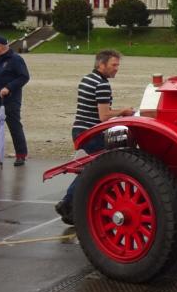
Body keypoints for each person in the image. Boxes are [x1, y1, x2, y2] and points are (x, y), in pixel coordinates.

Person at [54, 49, 135, 224]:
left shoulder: (87, 79)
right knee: (100, 168)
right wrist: (124, 111)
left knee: (92, 167)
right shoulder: (102, 84)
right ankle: (69, 203)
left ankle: (71, 204)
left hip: (79, 129)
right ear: (101, 64)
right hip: (91, 132)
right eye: (114, 65)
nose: (117, 68)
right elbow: (104, 116)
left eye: (117, 65)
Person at [0, 35, 30, 167]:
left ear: (0, 46)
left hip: (10, 100)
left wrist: (9, 87)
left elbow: (24, 77)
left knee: (14, 127)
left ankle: (21, 155)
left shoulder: (15, 59)